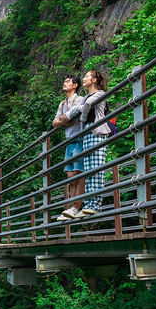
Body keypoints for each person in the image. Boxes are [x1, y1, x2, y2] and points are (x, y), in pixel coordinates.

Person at [61, 69, 111, 218]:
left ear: (94, 80)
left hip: (97, 132)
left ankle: (96, 205)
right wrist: (68, 115)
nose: (84, 78)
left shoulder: (100, 93)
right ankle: (88, 204)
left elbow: (88, 104)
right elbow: (78, 108)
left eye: (87, 76)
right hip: (87, 134)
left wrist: (81, 116)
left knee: (96, 169)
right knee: (88, 171)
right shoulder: (85, 98)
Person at [52, 75, 85, 221]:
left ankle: (76, 207)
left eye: (68, 81)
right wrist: (65, 121)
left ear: (75, 85)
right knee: (70, 177)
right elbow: (55, 122)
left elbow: (70, 117)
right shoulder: (62, 104)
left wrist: (64, 120)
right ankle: (71, 207)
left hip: (79, 139)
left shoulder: (79, 100)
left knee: (79, 174)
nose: (65, 83)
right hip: (69, 141)